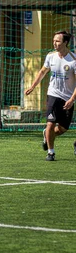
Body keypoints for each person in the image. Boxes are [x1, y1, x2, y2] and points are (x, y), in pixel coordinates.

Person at [25, 30, 76, 161]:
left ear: (65, 42)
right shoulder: (50, 56)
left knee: (63, 128)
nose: (54, 43)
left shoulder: (73, 60)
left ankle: (46, 135)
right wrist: (32, 86)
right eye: (54, 40)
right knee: (50, 124)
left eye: (57, 41)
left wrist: (72, 99)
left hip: (67, 97)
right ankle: (51, 152)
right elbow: (42, 72)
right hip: (53, 94)